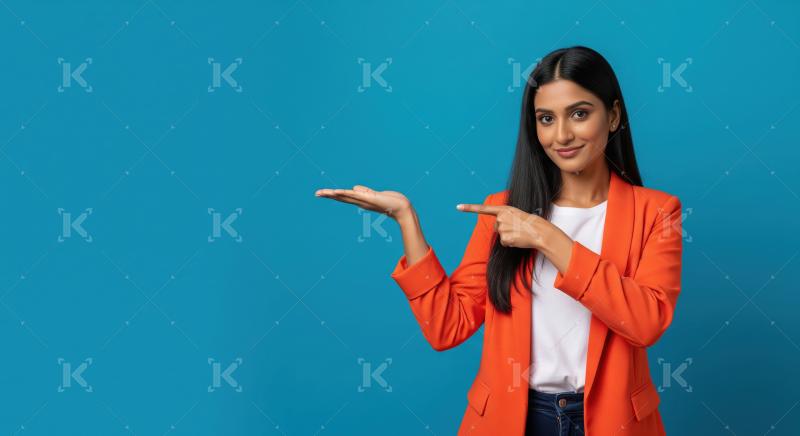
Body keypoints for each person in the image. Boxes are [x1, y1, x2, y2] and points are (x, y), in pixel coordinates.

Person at [316, 46, 682, 436]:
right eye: (546, 118)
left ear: (612, 116)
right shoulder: (501, 212)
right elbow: (447, 327)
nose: (561, 135)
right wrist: (405, 218)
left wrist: (548, 237)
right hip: (515, 420)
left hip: (612, 423)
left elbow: (645, 323)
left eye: (579, 114)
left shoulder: (657, 212)